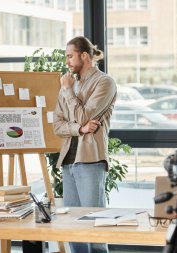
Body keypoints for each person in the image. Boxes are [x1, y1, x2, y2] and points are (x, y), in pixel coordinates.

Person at [53, 36, 117, 253]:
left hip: (90, 160)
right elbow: (57, 125)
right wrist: (79, 129)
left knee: (94, 223)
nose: (67, 61)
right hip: (68, 162)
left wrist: (69, 92)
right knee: (73, 226)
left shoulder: (104, 82)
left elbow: (84, 115)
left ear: (84, 56)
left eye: (70, 56)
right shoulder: (69, 84)